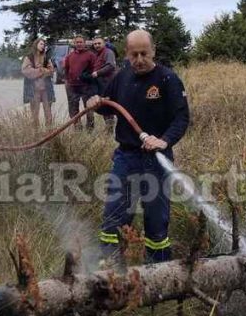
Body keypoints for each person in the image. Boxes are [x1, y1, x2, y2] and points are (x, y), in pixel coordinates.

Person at [87, 29, 190, 264]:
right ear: (127, 54)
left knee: (156, 224)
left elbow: (182, 118)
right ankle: (111, 272)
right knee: (113, 219)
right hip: (125, 159)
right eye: (134, 55)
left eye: (145, 53)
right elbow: (108, 107)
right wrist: (96, 103)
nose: (140, 59)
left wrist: (164, 140)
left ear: (154, 51)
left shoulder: (167, 79)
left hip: (156, 160)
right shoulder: (121, 78)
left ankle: (160, 274)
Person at [61, 34, 99, 130]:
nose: (79, 44)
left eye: (81, 42)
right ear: (74, 43)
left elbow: (95, 69)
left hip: (86, 86)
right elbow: (66, 70)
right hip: (73, 86)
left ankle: (90, 130)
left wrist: (91, 80)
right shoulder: (70, 56)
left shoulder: (91, 55)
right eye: (77, 42)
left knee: (89, 108)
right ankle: (78, 129)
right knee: (73, 109)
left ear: (84, 43)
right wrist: (66, 81)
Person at [21, 37, 56, 127]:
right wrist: (40, 71)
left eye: (44, 44)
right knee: (34, 114)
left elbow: (51, 70)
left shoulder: (46, 57)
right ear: (36, 44)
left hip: (46, 89)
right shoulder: (29, 57)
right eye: (41, 44)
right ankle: (36, 133)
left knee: (48, 113)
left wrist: (44, 71)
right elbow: (26, 71)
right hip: (34, 89)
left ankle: (49, 133)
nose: (43, 46)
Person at [91, 37, 117, 131]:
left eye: (99, 43)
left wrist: (98, 73)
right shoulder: (97, 54)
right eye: (95, 44)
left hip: (108, 85)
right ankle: (108, 128)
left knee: (108, 106)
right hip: (101, 86)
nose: (97, 45)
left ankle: (110, 129)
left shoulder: (108, 52)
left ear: (104, 43)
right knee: (104, 107)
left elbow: (111, 66)